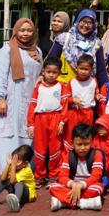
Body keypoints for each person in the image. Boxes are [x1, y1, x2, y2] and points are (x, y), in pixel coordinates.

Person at [0, 17, 42, 172]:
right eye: (22, 30)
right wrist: (1, 98)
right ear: (15, 31)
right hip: (13, 98)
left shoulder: (37, 51)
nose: (25, 34)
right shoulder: (7, 50)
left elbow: (39, 73)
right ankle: (7, 171)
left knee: (28, 132)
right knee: (10, 133)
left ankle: (25, 172)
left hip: (31, 98)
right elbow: (1, 75)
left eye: (29, 30)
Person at [26, 57, 69, 185]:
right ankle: (39, 176)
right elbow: (32, 106)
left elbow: (65, 105)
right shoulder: (38, 86)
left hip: (55, 118)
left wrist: (62, 121)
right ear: (43, 71)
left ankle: (53, 176)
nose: (51, 75)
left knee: (55, 148)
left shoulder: (61, 86)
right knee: (40, 149)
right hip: (40, 119)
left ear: (59, 73)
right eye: (48, 71)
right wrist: (30, 124)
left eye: (54, 72)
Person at [50, 122, 104, 211]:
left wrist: (81, 185)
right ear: (72, 143)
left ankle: (63, 203)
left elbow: (96, 176)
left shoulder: (96, 154)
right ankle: (85, 203)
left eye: (86, 144)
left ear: (92, 142)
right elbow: (62, 177)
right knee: (53, 187)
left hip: (88, 186)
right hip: (73, 186)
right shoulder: (69, 155)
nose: (82, 148)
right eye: (79, 144)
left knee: (98, 188)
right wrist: (73, 184)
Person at [48, 8, 106, 85]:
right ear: (77, 21)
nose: (86, 25)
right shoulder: (64, 38)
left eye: (89, 22)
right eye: (83, 21)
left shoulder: (96, 43)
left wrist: (105, 87)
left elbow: (101, 70)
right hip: (63, 87)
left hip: (86, 87)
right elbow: (51, 61)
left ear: (94, 25)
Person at [0, 144, 36, 212]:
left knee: (19, 183)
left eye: (18, 161)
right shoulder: (13, 165)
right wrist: (8, 164)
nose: (14, 162)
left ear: (25, 163)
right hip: (15, 192)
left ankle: (16, 203)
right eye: (14, 159)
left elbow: (13, 181)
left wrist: (13, 165)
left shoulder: (27, 170)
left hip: (27, 196)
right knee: (4, 181)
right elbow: (2, 178)